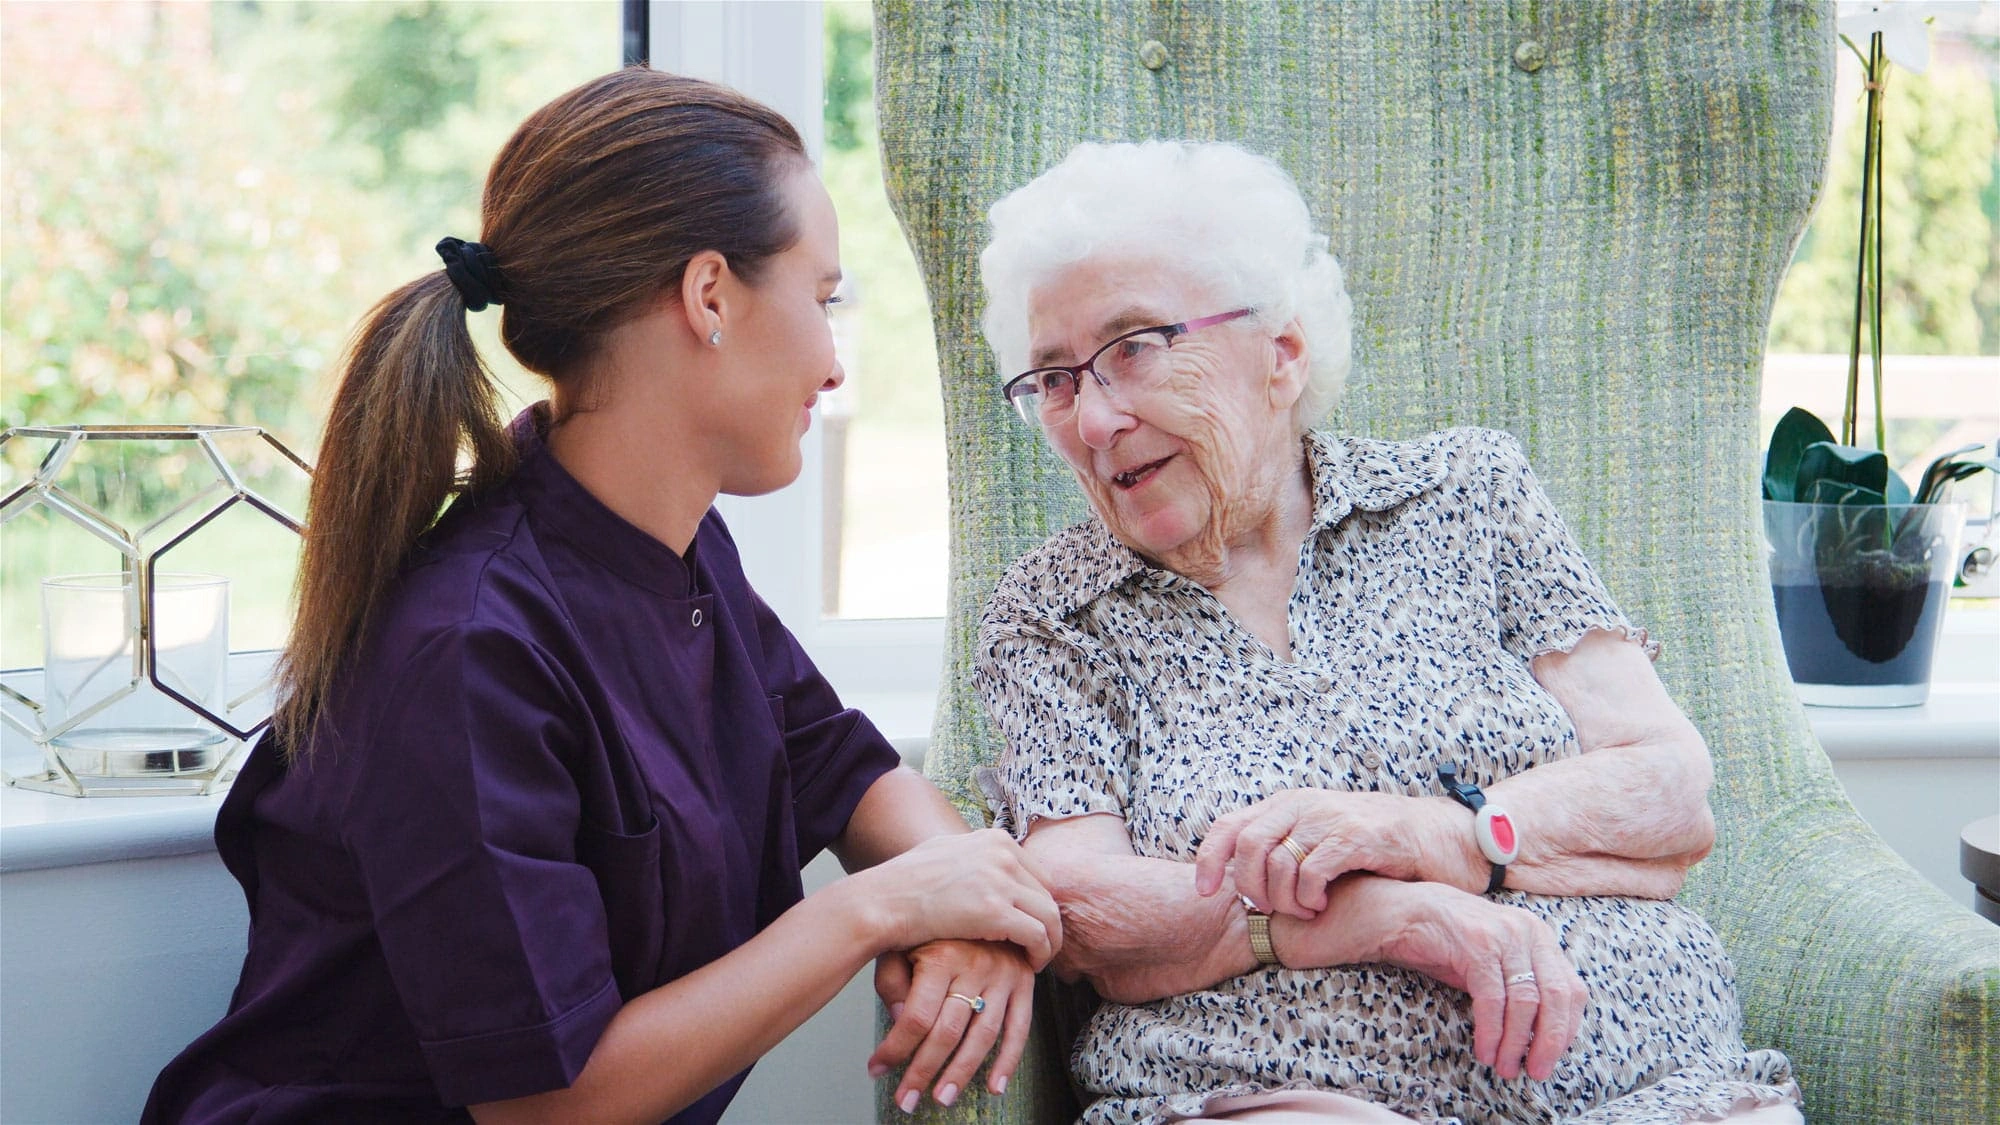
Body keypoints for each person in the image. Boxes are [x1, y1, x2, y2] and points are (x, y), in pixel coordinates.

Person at [143, 68, 1060, 1125]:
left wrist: (966, 918)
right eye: (823, 299)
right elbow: (547, 1104)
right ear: (708, 295)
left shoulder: (679, 548)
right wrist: (876, 911)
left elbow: (839, 769)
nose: (833, 364)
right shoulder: (469, 646)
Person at [970, 140, 1803, 1125]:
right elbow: (1081, 910)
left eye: (1133, 347)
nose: (1095, 419)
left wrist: (1436, 837)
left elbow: (1666, 795)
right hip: (1277, 1088)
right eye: (1054, 380)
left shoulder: (1470, 494)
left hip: (1651, 1078)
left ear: (1279, 354)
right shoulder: (1052, 614)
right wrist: (1380, 917)